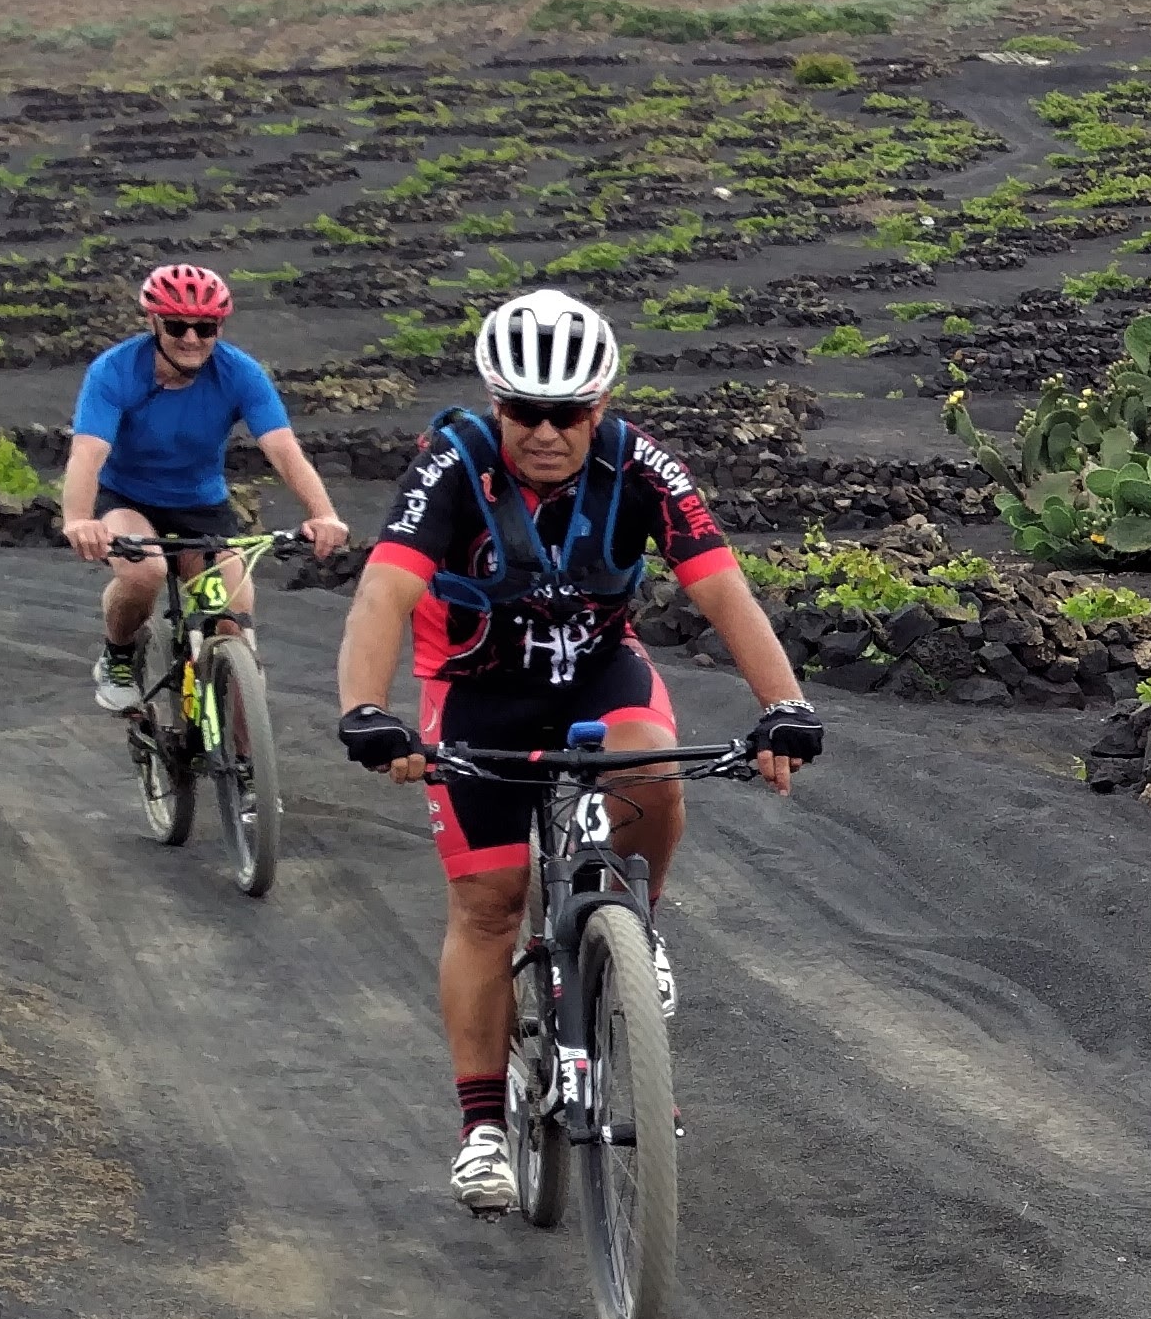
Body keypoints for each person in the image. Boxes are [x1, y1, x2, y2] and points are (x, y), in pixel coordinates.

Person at [330, 288, 823, 1214]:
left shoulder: (645, 468)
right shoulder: (450, 468)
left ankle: (638, 928)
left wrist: (784, 705)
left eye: (568, 413)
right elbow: (382, 596)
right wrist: (368, 710)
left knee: (651, 761)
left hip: (596, 676)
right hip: (477, 692)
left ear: (599, 407)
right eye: (524, 411)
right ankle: (482, 1126)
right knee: (488, 903)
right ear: (495, 404)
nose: (546, 432)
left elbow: (724, 593)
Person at [58, 265, 351, 709]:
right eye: (177, 326)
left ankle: (247, 774)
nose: (191, 339)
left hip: (202, 507)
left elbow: (283, 450)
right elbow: (88, 453)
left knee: (233, 626)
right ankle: (118, 655)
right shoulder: (114, 371)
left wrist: (323, 513)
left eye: (205, 327)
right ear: (152, 322)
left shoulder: (240, 373)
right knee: (145, 572)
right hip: (130, 499)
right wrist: (79, 520)